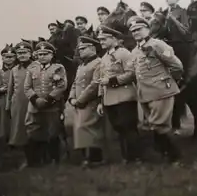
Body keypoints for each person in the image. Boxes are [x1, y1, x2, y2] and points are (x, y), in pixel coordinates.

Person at [126, 16, 183, 165]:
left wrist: (167, 82)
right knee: (154, 126)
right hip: (145, 94)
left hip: (161, 91)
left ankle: (175, 157)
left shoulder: (158, 44)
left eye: (139, 29)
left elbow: (177, 65)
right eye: (133, 31)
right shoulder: (135, 51)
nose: (136, 33)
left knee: (160, 125)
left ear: (147, 29)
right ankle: (165, 154)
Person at [95, 25, 142, 164]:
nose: (101, 42)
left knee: (128, 127)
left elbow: (131, 73)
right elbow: (100, 80)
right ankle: (126, 157)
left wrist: (112, 81)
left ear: (114, 39)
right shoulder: (104, 58)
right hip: (109, 99)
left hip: (124, 96)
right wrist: (100, 101)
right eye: (100, 39)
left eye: (104, 39)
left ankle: (135, 157)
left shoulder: (123, 53)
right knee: (119, 128)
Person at [24, 41, 68, 167]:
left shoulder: (58, 68)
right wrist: (36, 100)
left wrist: (48, 100)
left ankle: (54, 159)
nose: (42, 56)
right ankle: (33, 160)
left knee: (53, 132)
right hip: (35, 106)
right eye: (39, 54)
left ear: (52, 55)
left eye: (45, 54)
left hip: (52, 106)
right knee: (33, 131)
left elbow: (61, 86)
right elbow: (27, 87)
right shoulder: (32, 68)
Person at [68, 36, 105, 167]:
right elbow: (74, 83)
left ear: (92, 48)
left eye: (83, 49)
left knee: (91, 129)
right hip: (79, 103)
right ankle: (86, 157)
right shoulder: (81, 65)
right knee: (79, 129)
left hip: (91, 102)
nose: (80, 51)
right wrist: (72, 98)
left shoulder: (99, 63)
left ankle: (95, 158)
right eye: (79, 49)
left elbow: (95, 84)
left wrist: (81, 99)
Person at [6, 41, 34, 167]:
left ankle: (39, 157)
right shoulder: (14, 70)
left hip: (32, 102)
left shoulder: (36, 66)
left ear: (30, 53)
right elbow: (10, 89)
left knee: (34, 128)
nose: (22, 55)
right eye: (19, 53)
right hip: (18, 103)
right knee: (20, 130)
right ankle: (26, 158)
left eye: (24, 52)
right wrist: (8, 105)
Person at [0, 44, 16, 143]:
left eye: (11, 57)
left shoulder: (18, 70)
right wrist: (0, 90)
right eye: (6, 57)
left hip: (15, 99)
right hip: (3, 99)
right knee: (3, 121)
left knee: (15, 120)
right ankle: (5, 139)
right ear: (2, 58)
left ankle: (16, 140)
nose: (9, 59)